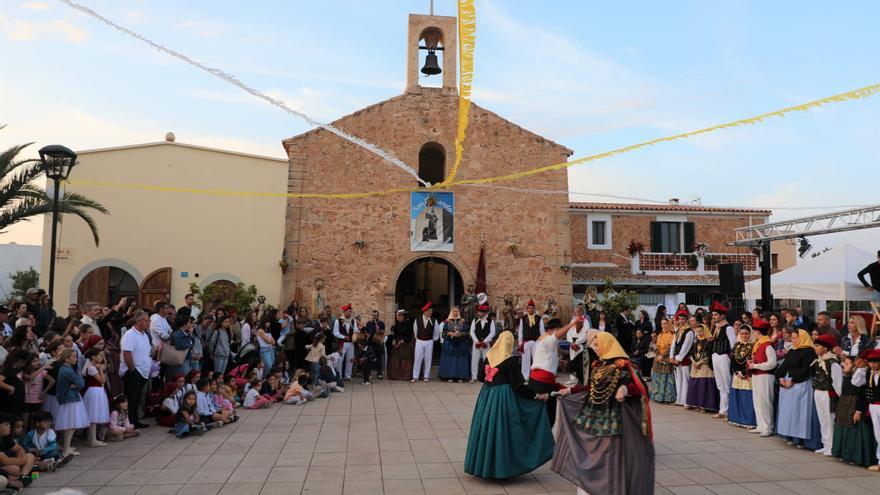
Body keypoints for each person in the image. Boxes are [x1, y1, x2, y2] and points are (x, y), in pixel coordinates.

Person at [552, 332, 655, 495]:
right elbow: (590, 387)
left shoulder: (626, 365)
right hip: (591, 417)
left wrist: (625, 388)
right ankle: (587, 489)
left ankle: (609, 489)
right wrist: (570, 390)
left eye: (597, 344)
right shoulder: (599, 365)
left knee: (607, 459)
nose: (596, 348)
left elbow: (641, 388)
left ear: (607, 345)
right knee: (587, 455)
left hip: (612, 421)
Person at [463, 331, 554, 479]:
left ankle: (484, 465)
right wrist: (537, 395)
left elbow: (481, 377)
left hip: (486, 395)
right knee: (502, 430)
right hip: (502, 398)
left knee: (485, 428)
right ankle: (501, 467)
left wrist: (492, 377)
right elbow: (519, 386)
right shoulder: (510, 361)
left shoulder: (489, 356)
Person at [831, 354, 876, 467]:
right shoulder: (848, 375)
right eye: (844, 364)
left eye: (847, 364)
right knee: (843, 428)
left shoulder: (861, 374)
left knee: (854, 430)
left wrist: (858, 410)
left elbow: (861, 392)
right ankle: (843, 453)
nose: (844, 366)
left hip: (855, 405)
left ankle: (856, 456)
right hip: (845, 404)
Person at [776, 330, 819, 447]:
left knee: (800, 412)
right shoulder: (792, 350)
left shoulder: (809, 352)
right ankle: (789, 434)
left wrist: (793, 381)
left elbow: (806, 369)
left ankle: (799, 439)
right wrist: (780, 378)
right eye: (793, 338)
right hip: (788, 383)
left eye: (795, 338)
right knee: (789, 411)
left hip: (801, 383)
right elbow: (784, 365)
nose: (793, 340)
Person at [119, 310, 152, 429]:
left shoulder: (144, 334)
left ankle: (135, 420)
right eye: (146, 321)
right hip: (134, 372)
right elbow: (127, 353)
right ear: (138, 322)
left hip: (143, 372)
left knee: (137, 398)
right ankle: (130, 421)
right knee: (132, 398)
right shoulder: (130, 334)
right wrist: (132, 369)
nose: (149, 323)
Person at [54, 348, 89, 457]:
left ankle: (67, 446)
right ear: (66, 358)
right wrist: (76, 384)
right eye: (73, 356)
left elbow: (79, 382)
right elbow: (81, 382)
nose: (76, 359)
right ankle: (66, 448)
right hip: (70, 399)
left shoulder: (65, 369)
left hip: (70, 397)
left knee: (70, 423)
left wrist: (76, 384)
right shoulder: (67, 370)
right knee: (70, 424)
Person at [812, 333, 843, 456]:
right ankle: (825, 444)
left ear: (825, 348)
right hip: (818, 392)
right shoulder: (819, 361)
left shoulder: (833, 363)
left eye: (818, 345)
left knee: (830, 420)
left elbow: (838, 383)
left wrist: (838, 399)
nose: (815, 348)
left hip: (828, 394)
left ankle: (832, 446)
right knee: (823, 419)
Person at [747, 318, 778, 437]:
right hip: (757, 375)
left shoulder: (767, 345)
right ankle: (760, 424)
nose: (753, 334)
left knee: (765, 402)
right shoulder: (759, 344)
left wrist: (756, 365)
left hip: (765, 376)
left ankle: (768, 427)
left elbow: (772, 363)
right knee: (758, 401)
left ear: (758, 332)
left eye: (754, 331)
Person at [708, 300, 736, 419]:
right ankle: (722, 409)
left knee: (726, 383)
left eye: (716, 315)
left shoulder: (728, 327)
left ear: (722, 315)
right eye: (713, 315)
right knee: (720, 384)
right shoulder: (716, 327)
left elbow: (733, 344)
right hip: (716, 356)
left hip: (724, 356)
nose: (713, 317)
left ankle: (730, 410)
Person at [685, 321, 719, 412]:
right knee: (695, 385)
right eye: (697, 331)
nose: (699, 333)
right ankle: (695, 404)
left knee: (704, 386)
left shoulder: (709, 342)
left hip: (704, 366)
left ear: (705, 331)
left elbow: (708, 355)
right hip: (695, 365)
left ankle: (704, 406)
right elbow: (691, 353)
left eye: (701, 331)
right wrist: (693, 362)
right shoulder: (695, 341)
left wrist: (699, 363)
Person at [728, 324, 757, 428]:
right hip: (737, 375)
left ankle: (748, 420)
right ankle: (737, 418)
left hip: (748, 375)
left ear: (750, 334)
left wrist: (744, 373)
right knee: (737, 397)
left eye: (746, 334)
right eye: (742, 334)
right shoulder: (736, 345)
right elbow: (732, 360)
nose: (744, 336)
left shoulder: (754, 345)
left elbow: (754, 361)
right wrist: (736, 372)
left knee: (747, 398)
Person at [80, 347, 109, 447]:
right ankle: (92, 439)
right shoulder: (91, 368)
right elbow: (102, 380)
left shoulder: (94, 367)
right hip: (94, 392)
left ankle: (91, 438)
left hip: (97, 391)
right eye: (100, 356)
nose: (102, 358)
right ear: (93, 357)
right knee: (93, 415)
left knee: (94, 414)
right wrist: (101, 370)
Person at [438, 307, 470, 382]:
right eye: (454, 311)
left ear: (459, 312)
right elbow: (443, 333)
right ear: (451, 312)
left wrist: (460, 334)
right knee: (450, 360)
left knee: (460, 361)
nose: (455, 313)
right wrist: (450, 333)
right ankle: (450, 376)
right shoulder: (447, 321)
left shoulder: (462, 321)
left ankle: (460, 377)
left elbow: (467, 333)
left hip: (461, 343)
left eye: (456, 311)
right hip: (450, 343)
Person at [669, 309, 694, 406]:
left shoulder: (689, 332)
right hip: (676, 358)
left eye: (683, 319)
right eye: (679, 319)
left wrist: (679, 358)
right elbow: (673, 344)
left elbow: (686, 347)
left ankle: (686, 401)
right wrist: (672, 356)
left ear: (686, 320)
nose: (681, 321)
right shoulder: (678, 330)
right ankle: (679, 399)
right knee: (678, 379)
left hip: (685, 359)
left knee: (685, 379)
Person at [411, 302, 440, 383]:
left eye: (431, 310)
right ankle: (415, 376)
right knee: (417, 359)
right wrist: (419, 339)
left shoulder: (434, 320)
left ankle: (426, 376)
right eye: (429, 310)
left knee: (428, 359)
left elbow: (436, 332)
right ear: (425, 311)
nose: (431, 312)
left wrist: (432, 340)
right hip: (419, 341)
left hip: (429, 341)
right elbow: (415, 331)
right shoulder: (417, 320)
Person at [862, 348, 880, 471]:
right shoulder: (869, 373)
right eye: (870, 362)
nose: (872, 364)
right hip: (874, 406)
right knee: (878, 435)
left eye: (875, 362)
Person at [651, 318, 677, 404]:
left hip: (667, 358)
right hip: (659, 358)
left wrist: (663, 355)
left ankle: (667, 398)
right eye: (662, 324)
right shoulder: (660, 335)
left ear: (669, 324)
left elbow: (672, 348)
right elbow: (657, 346)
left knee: (667, 378)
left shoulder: (673, 334)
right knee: (658, 377)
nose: (664, 325)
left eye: (665, 323)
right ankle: (658, 396)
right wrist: (658, 355)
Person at [517, 300, 545, 379]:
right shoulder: (523, 318)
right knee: (525, 360)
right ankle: (525, 376)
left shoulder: (539, 318)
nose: (530, 310)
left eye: (532, 308)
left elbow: (542, 331)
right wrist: (520, 342)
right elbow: (520, 331)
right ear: (527, 309)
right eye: (529, 308)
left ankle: (536, 376)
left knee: (537, 359)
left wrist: (541, 342)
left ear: (534, 309)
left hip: (536, 341)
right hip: (526, 342)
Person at [468, 304, 495, 383]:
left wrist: (485, 341)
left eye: (482, 312)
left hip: (485, 344)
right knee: (474, 360)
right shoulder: (475, 320)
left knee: (487, 360)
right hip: (476, 343)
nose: (480, 314)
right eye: (479, 312)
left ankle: (487, 376)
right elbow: (471, 331)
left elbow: (492, 332)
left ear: (485, 313)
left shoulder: (490, 321)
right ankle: (474, 377)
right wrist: (476, 341)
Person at [332, 304, 358, 381]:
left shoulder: (353, 321)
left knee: (350, 360)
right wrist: (343, 337)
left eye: (351, 312)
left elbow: (356, 330)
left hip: (351, 343)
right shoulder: (338, 320)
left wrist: (355, 335)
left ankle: (348, 376)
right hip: (342, 343)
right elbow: (335, 332)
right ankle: (339, 376)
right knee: (340, 359)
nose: (350, 313)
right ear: (344, 311)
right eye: (349, 311)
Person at [386, 310, 414, 381]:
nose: (397, 317)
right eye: (397, 316)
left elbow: (409, 336)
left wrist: (401, 342)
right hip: (398, 342)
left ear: (402, 317)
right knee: (395, 357)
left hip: (406, 343)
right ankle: (395, 375)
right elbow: (395, 333)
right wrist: (394, 340)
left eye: (398, 316)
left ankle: (405, 375)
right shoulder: (398, 323)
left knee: (405, 357)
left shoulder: (409, 324)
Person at [566, 315, 589, 385]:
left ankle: (581, 380)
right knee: (572, 363)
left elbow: (585, 337)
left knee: (580, 365)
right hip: (572, 346)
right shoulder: (572, 326)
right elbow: (568, 334)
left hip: (580, 347)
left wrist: (576, 342)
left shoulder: (585, 326)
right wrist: (571, 342)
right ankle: (572, 379)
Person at [363, 310, 386, 379]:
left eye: (376, 315)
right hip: (370, 343)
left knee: (379, 359)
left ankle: (379, 373)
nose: (374, 316)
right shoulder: (369, 323)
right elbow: (366, 331)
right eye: (373, 315)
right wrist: (368, 335)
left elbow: (382, 332)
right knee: (370, 358)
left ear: (378, 316)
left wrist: (378, 330)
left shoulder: (381, 323)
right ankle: (369, 373)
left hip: (378, 343)